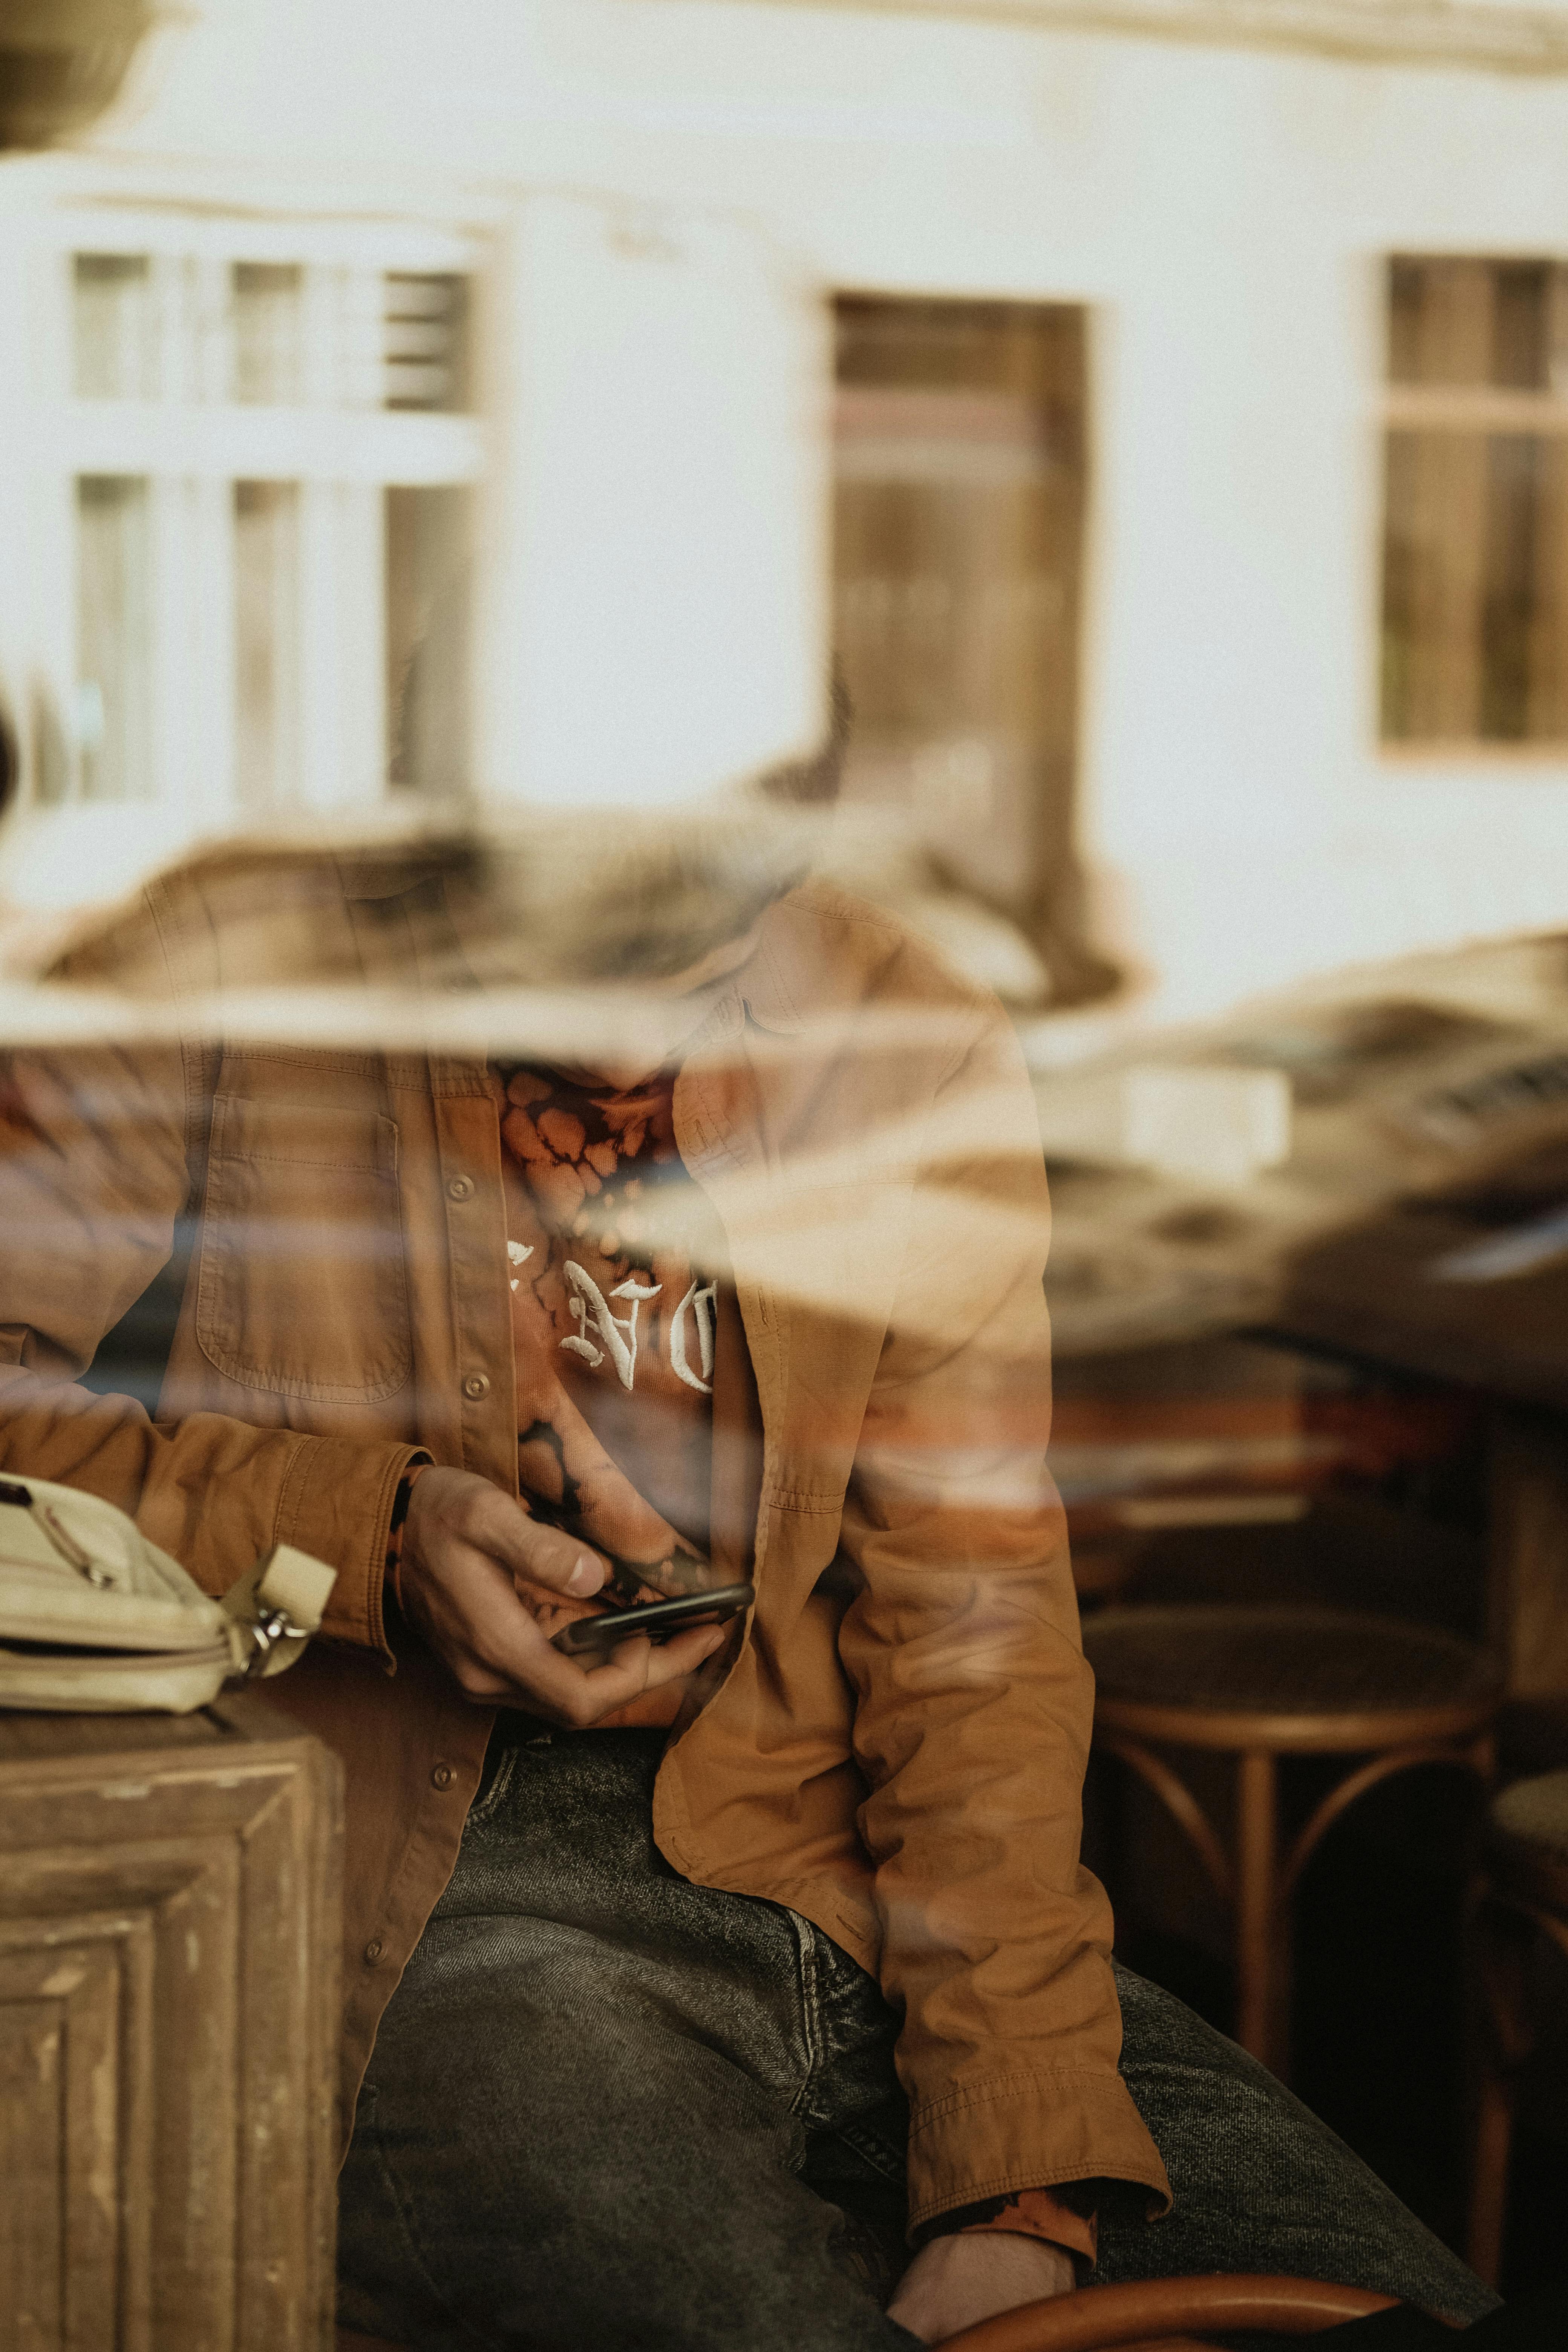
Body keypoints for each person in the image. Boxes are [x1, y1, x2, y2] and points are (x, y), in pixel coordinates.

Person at [0, 787, 1497, 2350]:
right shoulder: (226, 966)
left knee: (1411, 2314)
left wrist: (1015, 2181)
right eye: (574, 985)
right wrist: (364, 1537)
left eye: (706, 985)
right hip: (425, 1888)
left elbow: (969, 1625)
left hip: (836, 1879)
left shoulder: (899, 1021)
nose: (639, 1063)